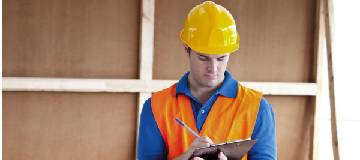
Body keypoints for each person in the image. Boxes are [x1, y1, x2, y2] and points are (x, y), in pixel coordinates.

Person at [137, 1, 276, 159]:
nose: (213, 68)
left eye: (221, 58)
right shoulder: (156, 106)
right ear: (186, 49)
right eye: (203, 58)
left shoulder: (257, 107)